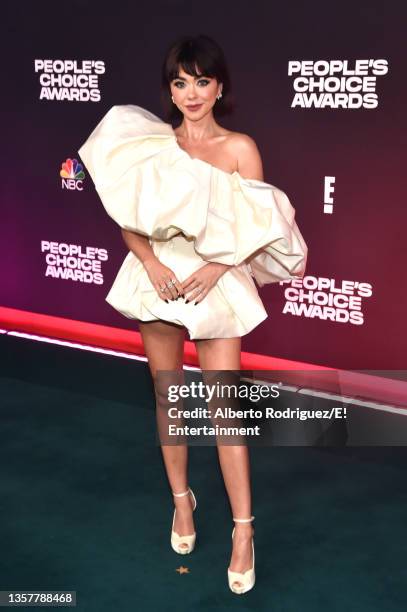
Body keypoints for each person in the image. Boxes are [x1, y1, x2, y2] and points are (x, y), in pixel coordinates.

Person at [78, 34, 308, 595]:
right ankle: (183, 503)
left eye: (202, 80)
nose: (191, 93)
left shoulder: (238, 148)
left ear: (220, 86)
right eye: (181, 82)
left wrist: (215, 267)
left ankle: (244, 531)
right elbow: (126, 213)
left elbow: (261, 226)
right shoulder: (153, 145)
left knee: (225, 408)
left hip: (216, 277)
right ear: (171, 90)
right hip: (157, 276)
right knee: (167, 396)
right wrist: (151, 262)